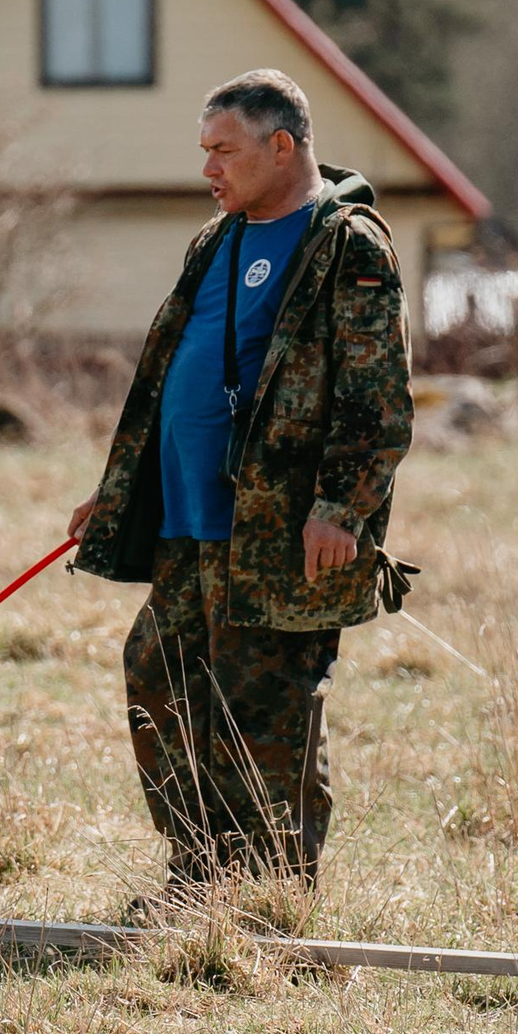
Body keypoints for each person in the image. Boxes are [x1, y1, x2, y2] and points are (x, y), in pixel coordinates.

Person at [66, 70, 411, 902]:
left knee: (265, 715)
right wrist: (116, 493)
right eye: (205, 152)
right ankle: (199, 873)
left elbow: (378, 397)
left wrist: (339, 509)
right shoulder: (213, 240)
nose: (209, 169)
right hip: (188, 524)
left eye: (223, 150)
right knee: (158, 676)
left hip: (279, 534)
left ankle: (273, 895)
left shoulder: (347, 245)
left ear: (281, 145)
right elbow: (168, 381)